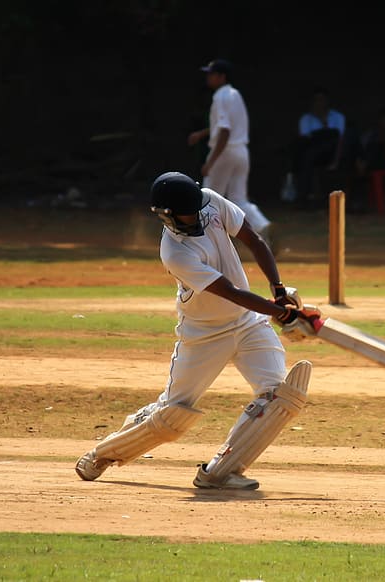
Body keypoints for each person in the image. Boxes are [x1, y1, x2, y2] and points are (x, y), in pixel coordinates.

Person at [75, 172, 320, 490]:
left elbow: (254, 240)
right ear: (167, 215)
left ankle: (221, 470)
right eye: (187, 213)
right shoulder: (175, 252)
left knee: (280, 397)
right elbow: (229, 290)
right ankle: (103, 453)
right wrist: (283, 313)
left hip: (247, 322)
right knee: (171, 418)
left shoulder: (210, 202)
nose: (196, 216)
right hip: (204, 335)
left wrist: (279, 291)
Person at [187, 59, 271, 237]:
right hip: (241, 151)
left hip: (224, 151)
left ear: (221, 77)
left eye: (211, 74)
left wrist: (211, 161)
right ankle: (263, 226)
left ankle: (206, 239)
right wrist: (202, 134)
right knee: (238, 198)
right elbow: (222, 125)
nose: (208, 77)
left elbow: (224, 130)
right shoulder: (235, 94)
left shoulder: (220, 97)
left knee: (208, 197)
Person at [293, 88, 346, 208]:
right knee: (306, 154)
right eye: (317, 100)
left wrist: (336, 161)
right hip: (311, 154)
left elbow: (341, 141)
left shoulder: (337, 117)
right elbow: (305, 141)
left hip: (334, 153)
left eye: (322, 100)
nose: (320, 103)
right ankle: (303, 198)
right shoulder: (306, 119)